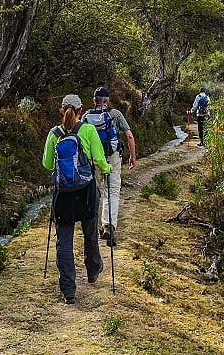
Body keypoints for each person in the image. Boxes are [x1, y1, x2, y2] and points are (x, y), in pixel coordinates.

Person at [42, 93, 111, 305]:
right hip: (86, 191)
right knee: (90, 233)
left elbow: (47, 164)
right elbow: (99, 160)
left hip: (63, 194)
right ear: (81, 111)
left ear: (61, 110)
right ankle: (93, 270)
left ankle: (68, 291)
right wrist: (107, 169)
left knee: (64, 241)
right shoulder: (88, 130)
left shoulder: (54, 134)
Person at [85, 86, 136, 248]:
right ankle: (109, 226)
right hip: (113, 157)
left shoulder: (86, 116)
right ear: (108, 100)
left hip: (95, 159)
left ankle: (96, 227)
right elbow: (129, 135)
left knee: (97, 191)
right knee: (112, 191)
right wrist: (132, 156)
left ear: (94, 101)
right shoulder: (115, 114)